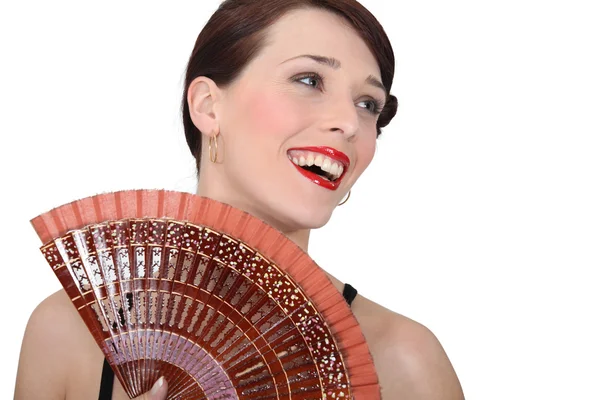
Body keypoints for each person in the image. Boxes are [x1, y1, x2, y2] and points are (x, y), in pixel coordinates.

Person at [14, 0, 464, 398]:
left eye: (368, 104)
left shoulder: (404, 360)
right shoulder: (68, 336)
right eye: (309, 79)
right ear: (208, 106)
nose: (349, 122)